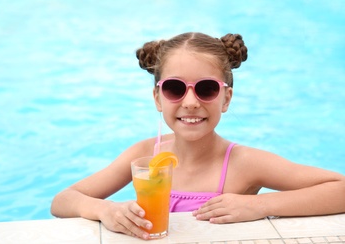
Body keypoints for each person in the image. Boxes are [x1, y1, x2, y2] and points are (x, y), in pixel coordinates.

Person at [51, 32, 345, 240]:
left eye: (206, 89)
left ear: (226, 99)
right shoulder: (144, 154)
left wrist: (259, 206)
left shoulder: (243, 163)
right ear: (157, 97)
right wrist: (106, 210)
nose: (190, 102)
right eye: (175, 89)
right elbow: (63, 201)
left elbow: (339, 188)